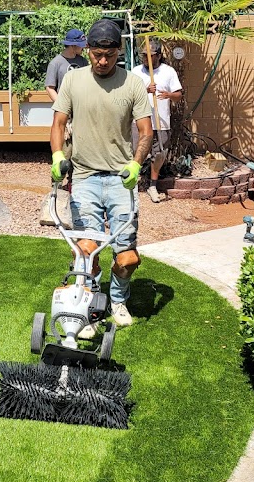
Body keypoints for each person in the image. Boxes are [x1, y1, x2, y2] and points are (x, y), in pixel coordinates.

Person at [50, 18, 153, 329]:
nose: (103, 61)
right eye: (97, 55)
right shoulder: (73, 80)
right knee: (86, 251)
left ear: (119, 51)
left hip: (121, 180)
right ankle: (90, 304)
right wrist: (57, 155)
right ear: (88, 51)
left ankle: (118, 301)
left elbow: (145, 131)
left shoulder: (132, 84)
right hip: (84, 177)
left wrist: (136, 164)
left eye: (109, 55)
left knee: (127, 258)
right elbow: (58, 123)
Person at [133, 38, 182, 203]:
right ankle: (132, 183)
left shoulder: (168, 72)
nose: (145, 58)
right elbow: (128, 95)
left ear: (159, 56)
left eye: (150, 55)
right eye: (144, 55)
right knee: (137, 152)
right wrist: (145, 90)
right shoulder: (136, 72)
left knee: (159, 154)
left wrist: (169, 95)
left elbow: (178, 95)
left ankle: (152, 185)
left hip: (161, 121)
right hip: (139, 121)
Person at [45, 28, 88, 102]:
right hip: (64, 105)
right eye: (81, 45)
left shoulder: (83, 61)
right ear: (73, 46)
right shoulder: (55, 63)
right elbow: (50, 88)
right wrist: (61, 105)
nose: (83, 47)